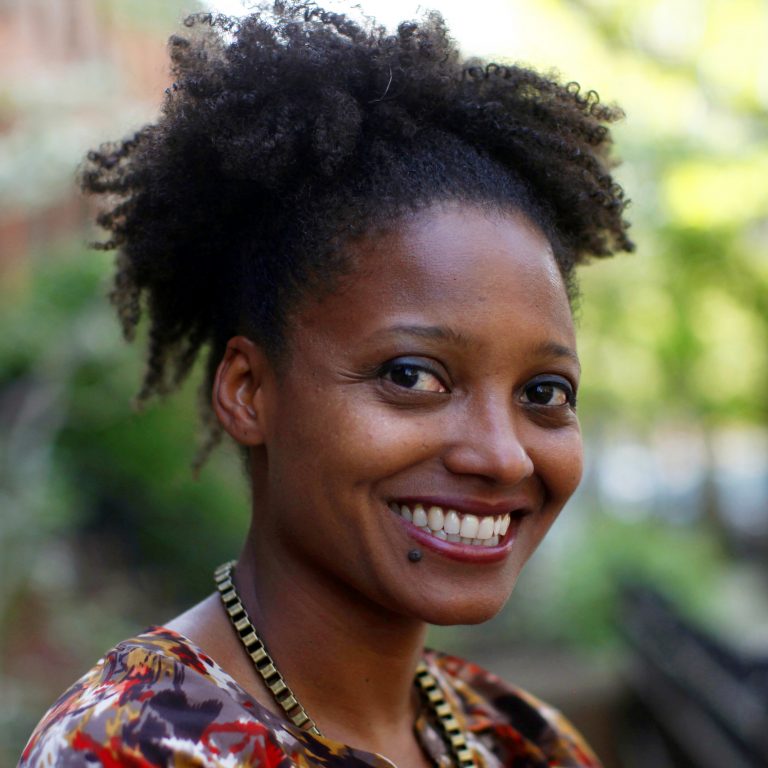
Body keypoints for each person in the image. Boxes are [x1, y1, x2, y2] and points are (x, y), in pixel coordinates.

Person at [19, 3, 633, 766]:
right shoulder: (136, 746)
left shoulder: (524, 742)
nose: (505, 456)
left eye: (543, 393)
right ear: (249, 391)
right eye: (412, 376)